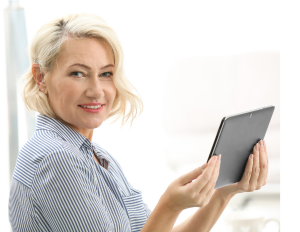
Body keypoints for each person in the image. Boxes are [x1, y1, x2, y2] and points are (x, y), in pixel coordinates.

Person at [8, 13, 269, 232]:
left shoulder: (94, 156)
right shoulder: (56, 160)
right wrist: (169, 205)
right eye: (78, 73)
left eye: (106, 74)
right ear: (41, 77)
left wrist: (224, 193)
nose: (97, 90)